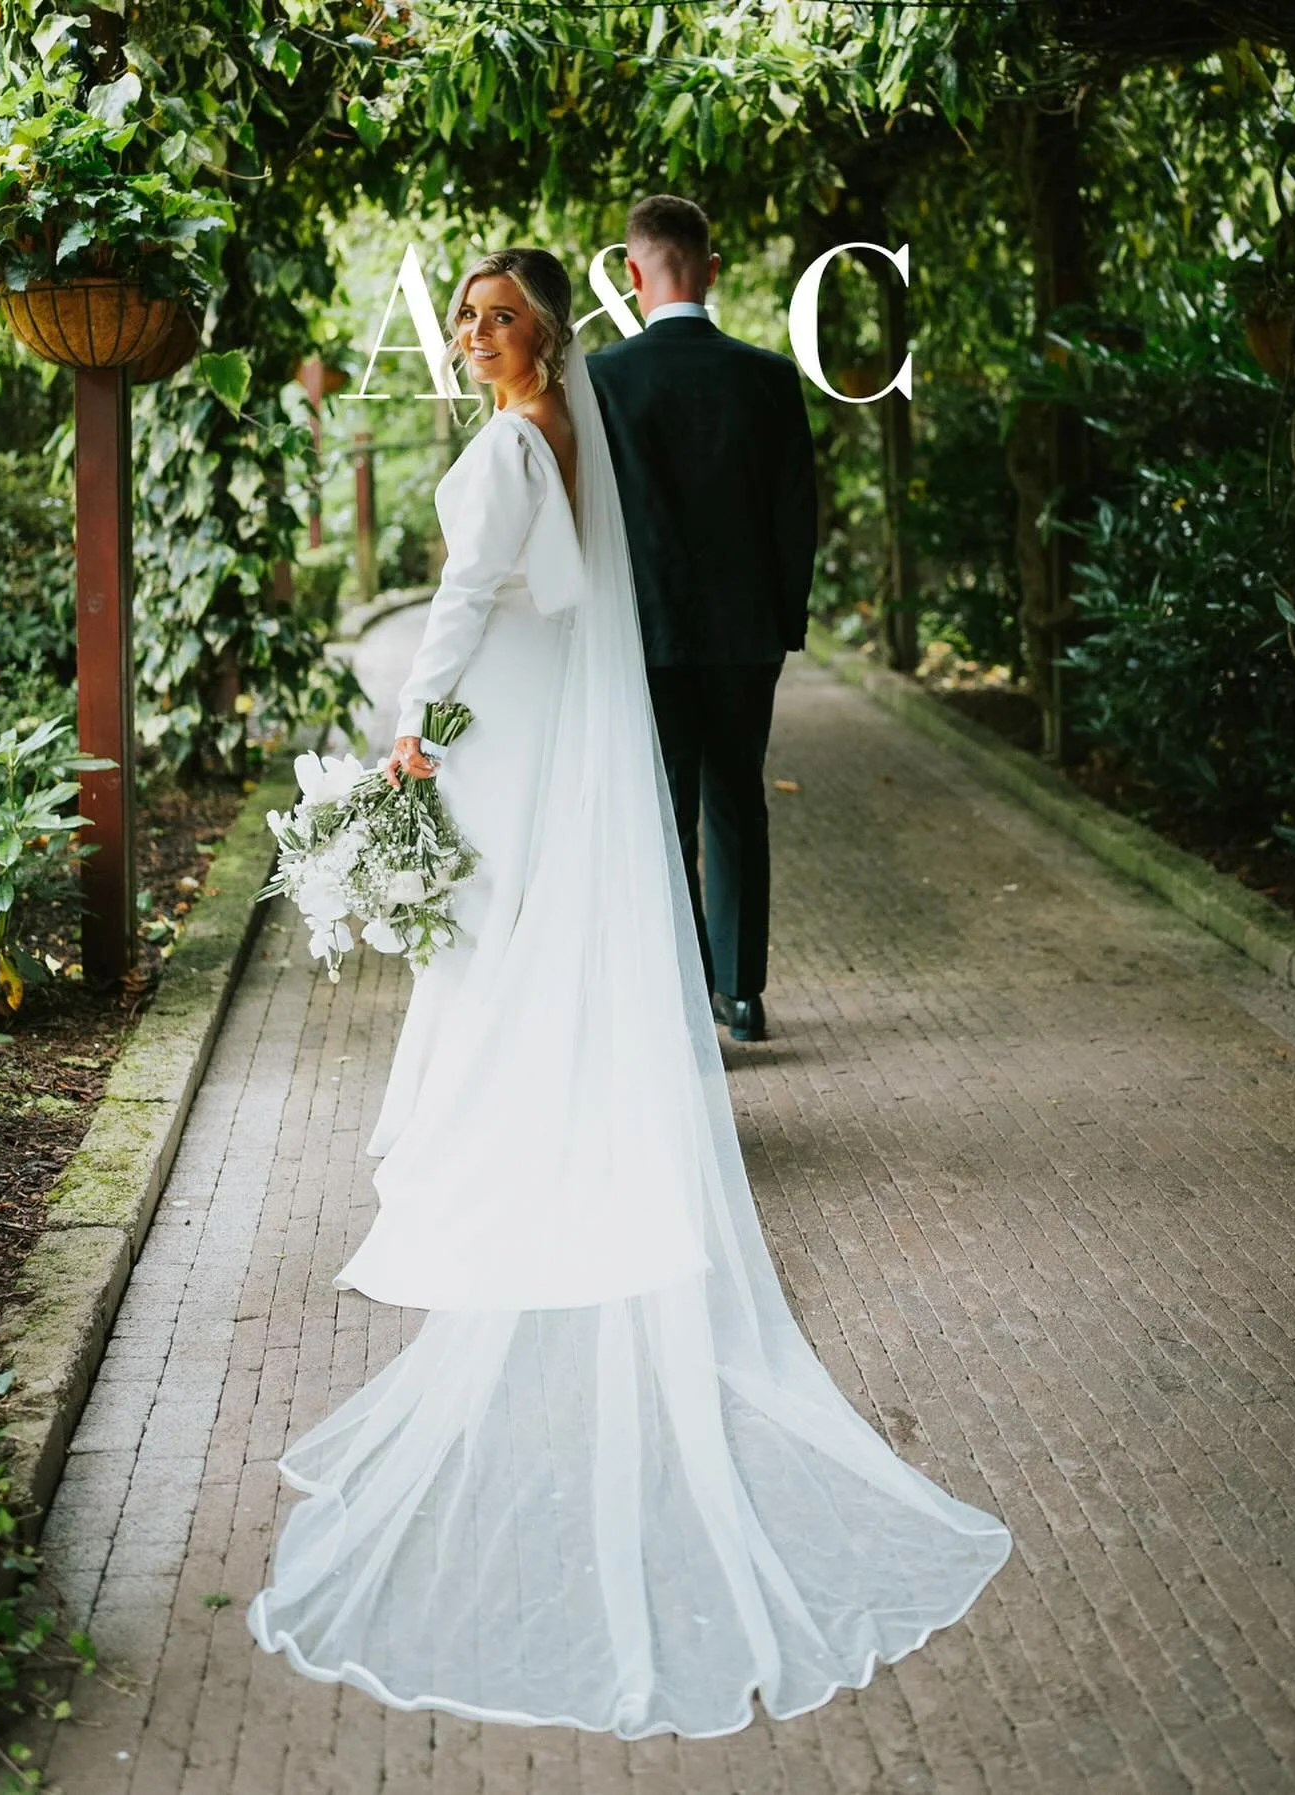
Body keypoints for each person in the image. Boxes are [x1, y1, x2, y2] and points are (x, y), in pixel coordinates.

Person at [246, 247, 1010, 1738]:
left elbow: (469, 597)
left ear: (551, 329)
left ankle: (503, 1161)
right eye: (466, 315)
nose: (477, 333)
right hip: (534, 729)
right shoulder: (558, 437)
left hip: (498, 729)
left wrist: (407, 738)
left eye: (504, 314)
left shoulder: (514, 442)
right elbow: (543, 597)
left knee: (495, 955)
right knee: (528, 942)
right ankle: (550, 1121)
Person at [588, 195, 816, 1043]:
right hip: (746, 632)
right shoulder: (766, 375)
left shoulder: (605, 378)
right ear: (710, 271)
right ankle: (743, 993)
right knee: (737, 798)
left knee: (665, 807)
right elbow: (798, 511)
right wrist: (782, 621)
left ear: (633, 272)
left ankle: (682, 996)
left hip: (646, 633)